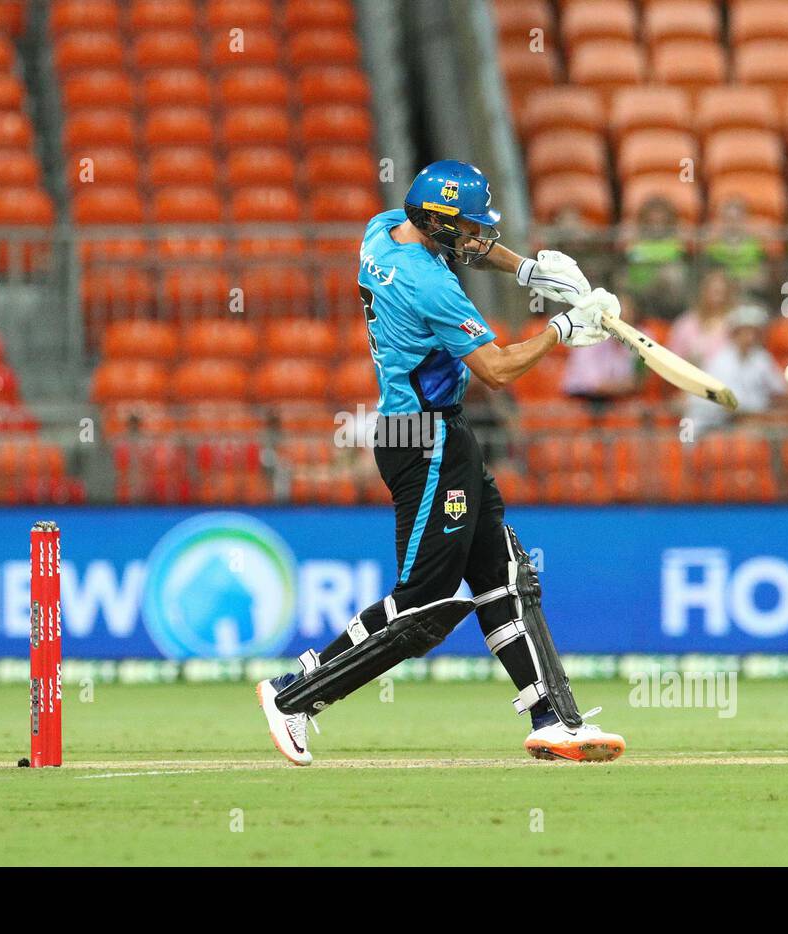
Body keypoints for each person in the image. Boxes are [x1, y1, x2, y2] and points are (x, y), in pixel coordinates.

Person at [257, 160, 627, 765]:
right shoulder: (428, 285)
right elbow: (498, 371)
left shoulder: (382, 229)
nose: (481, 238)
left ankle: (555, 722)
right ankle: (295, 692)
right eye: (473, 228)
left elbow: (467, 248)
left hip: (439, 436)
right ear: (437, 224)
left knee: (505, 578)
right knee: (425, 603)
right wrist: (562, 327)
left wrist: (529, 269)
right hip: (423, 441)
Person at [685, 304, 788, 436]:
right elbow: (730, 407)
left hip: (742, 424)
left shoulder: (761, 358)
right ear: (734, 333)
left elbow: (781, 391)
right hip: (710, 428)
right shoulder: (721, 360)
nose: (750, 337)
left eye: (754, 332)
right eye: (745, 331)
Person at [561, 288, 640, 406]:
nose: (622, 325)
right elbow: (595, 385)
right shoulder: (587, 338)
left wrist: (630, 385)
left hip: (611, 400)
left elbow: (633, 381)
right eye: (618, 318)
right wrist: (628, 385)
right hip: (580, 400)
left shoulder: (629, 344)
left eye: (627, 319)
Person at [625, 195, 689, 319]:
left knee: (672, 273)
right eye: (652, 221)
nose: (656, 225)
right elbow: (629, 259)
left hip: (669, 298)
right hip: (638, 292)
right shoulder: (634, 239)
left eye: (661, 221)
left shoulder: (677, 239)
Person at [668, 268, 736, 369]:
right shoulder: (686, 323)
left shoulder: (736, 323)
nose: (718, 297)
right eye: (714, 291)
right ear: (703, 292)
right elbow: (672, 357)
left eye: (722, 292)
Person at [704, 196, 767, 297]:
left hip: (750, 291)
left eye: (737, 218)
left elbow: (761, 276)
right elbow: (710, 274)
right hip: (721, 293)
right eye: (728, 219)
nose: (733, 223)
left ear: (744, 218)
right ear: (722, 219)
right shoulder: (713, 244)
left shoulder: (756, 243)